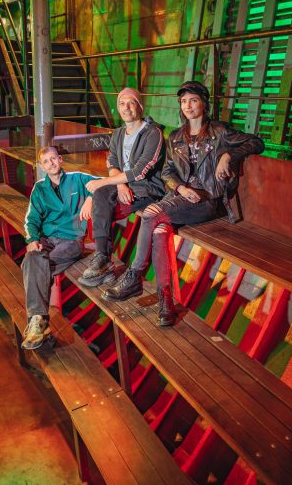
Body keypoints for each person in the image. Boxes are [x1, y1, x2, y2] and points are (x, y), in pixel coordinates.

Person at [102, 80, 265, 327]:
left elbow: (256, 142)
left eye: (193, 100)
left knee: (150, 213)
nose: (188, 106)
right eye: (184, 101)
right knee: (159, 230)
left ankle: (134, 276)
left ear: (204, 104)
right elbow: (167, 172)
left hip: (206, 199)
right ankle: (165, 303)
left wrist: (228, 155)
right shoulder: (176, 136)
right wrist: (181, 188)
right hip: (180, 197)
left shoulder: (220, 131)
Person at [78, 87, 165, 288]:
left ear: (140, 106)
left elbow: (141, 171)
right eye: (121, 103)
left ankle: (107, 266)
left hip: (147, 189)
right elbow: (113, 162)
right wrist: (120, 185)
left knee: (100, 197)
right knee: (100, 195)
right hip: (125, 185)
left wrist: (102, 183)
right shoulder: (118, 133)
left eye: (131, 102)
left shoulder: (153, 133)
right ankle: (103, 257)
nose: (126, 107)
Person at [21, 146, 96, 350]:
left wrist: (91, 197)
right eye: (46, 161)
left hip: (71, 240)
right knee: (31, 258)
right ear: (42, 166)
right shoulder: (39, 189)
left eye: (53, 159)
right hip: (47, 239)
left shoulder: (77, 179)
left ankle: (38, 322)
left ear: (60, 159)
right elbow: (31, 219)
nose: (51, 163)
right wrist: (32, 239)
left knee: (32, 267)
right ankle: (39, 320)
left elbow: (103, 183)